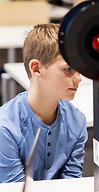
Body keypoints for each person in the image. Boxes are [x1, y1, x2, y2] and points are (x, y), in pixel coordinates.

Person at [0, 23, 87, 183]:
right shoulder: (6, 128)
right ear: (37, 69)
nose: (78, 78)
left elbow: (72, 184)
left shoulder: (77, 122)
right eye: (68, 69)